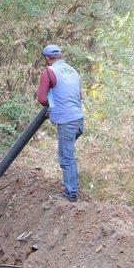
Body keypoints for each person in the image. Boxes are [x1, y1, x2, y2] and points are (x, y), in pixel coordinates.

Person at [37, 44, 84, 202]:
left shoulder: (49, 72)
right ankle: (70, 183)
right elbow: (79, 95)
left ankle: (71, 193)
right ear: (60, 56)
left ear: (47, 58)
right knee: (69, 153)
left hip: (66, 121)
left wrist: (52, 105)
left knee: (66, 157)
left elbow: (42, 99)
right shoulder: (73, 71)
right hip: (78, 119)